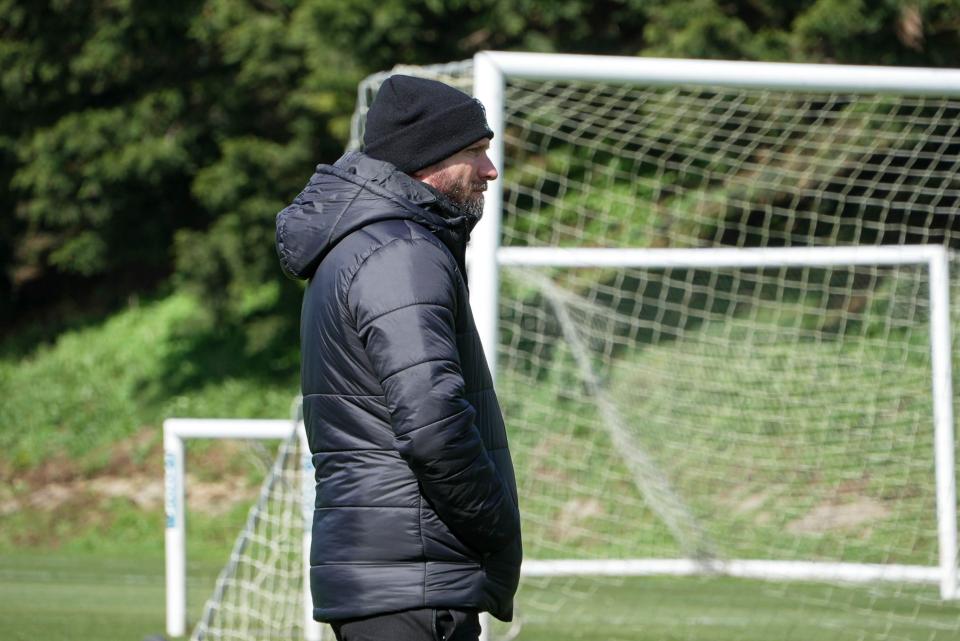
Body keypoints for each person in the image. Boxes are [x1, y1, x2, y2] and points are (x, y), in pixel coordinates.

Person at [275, 75, 522, 641]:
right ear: (426, 160)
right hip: (413, 583)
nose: (491, 169)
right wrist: (495, 523)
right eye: (475, 152)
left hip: (396, 580)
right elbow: (433, 425)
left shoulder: (371, 242)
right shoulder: (402, 251)